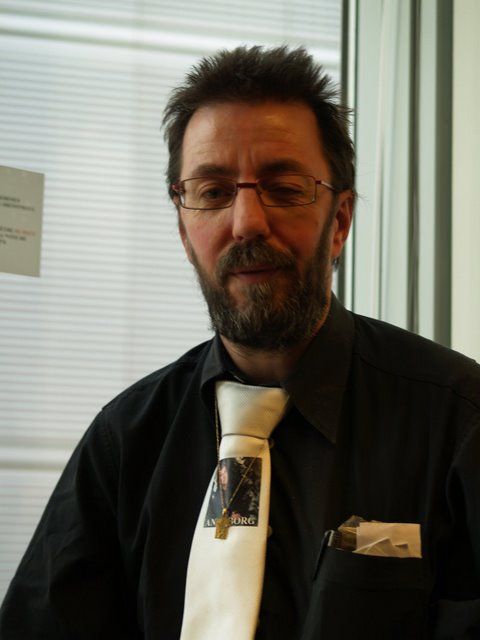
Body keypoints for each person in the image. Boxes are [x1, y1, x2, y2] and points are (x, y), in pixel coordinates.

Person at [1, 45, 479, 639]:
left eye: (284, 187)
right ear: (184, 229)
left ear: (339, 222)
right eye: (212, 191)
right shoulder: (124, 443)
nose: (247, 221)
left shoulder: (458, 420)